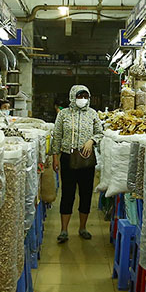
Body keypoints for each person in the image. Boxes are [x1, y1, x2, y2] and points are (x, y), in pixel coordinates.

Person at [50, 85, 102, 243]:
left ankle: (83, 228)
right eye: (80, 97)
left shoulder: (92, 114)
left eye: (85, 97)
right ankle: (64, 230)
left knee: (86, 194)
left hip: (86, 159)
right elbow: (57, 135)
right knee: (67, 194)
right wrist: (55, 157)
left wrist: (91, 140)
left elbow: (100, 132)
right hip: (67, 158)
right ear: (73, 97)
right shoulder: (64, 114)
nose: (82, 100)